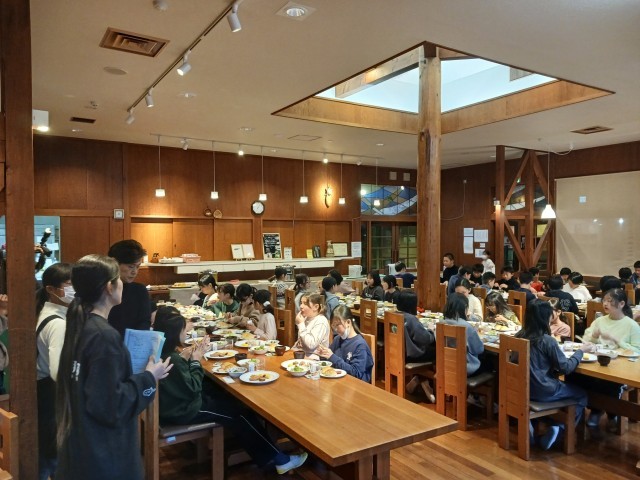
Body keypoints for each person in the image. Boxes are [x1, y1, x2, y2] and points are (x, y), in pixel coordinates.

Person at [56, 255, 172, 480]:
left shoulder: (81, 324)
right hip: (104, 455)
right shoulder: (103, 337)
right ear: (109, 287)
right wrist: (150, 376)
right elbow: (112, 405)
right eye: (118, 279)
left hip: (82, 446)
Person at [153, 309, 307, 474]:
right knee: (239, 413)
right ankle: (279, 459)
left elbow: (185, 384)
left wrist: (187, 359)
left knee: (233, 401)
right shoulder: (173, 359)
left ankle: (268, 451)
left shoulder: (164, 352)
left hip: (177, 405)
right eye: (184, 330)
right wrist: (196, 360)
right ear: (176, 334)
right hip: (185, 410)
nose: (186, 333)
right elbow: (193, 387)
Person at [515, 300, 589, 450]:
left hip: (521, 389)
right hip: (543, 390)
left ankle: (539, 424)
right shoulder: (547, 341)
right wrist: (580, 351)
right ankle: (559, 429)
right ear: (545, 317)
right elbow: (566, 368)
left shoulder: (519, 336)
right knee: (582, 395)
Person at [580, 289, 640, 433]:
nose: (605, 304)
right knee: (581, 377)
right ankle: (597, 409)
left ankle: (609, 412)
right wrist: (594, 337)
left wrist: (617, 340)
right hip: (599, 362)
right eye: (604, 300)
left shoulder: (632, 325)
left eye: (610, 301)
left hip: (622, 367)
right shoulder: (600, 320)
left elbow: (637, 350)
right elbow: (586, 341)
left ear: (621, 304)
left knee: (608, 382)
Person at [36, 262, 73, 480]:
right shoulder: (59, 324)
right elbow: (58, 372)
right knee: (53, 460)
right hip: (51, 397)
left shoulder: (46, 312)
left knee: (46, 455)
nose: (74, 289)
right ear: (51, 289)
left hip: (43, 395)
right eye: (69, 284)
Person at [395, 290, 436, 402]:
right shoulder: (411, 319)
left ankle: (419, 379)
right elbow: (425, 339)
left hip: (398, 352)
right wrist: (431, 331)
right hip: (412, 355)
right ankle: (427, 382)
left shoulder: (395, 315)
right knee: (438, 352)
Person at [316, 306, 374, 383]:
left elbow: (356, 373)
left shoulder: (360, 345)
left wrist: (332, 356)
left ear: (348, 322)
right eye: (333, 326)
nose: (335, 329)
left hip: (355, 385)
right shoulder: (337, 339)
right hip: (338, 381)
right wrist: (323, 354)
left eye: (337, 325)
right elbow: (329, 362)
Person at [107, 239, 152, 338]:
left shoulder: (140, 291)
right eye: (131, 266)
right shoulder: (103, 289)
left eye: (138, 267)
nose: (135, 272)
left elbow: (144, 322)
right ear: (114, 263)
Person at [441, 294, 484, 376]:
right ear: (465, 308)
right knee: (490, 364)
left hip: (446, 364)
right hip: (465, 367)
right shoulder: (466, 326)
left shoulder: (441, 323)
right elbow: (479, 349)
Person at [293, 293, 330, 357]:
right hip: (303, 354)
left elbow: (311, 345)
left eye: (305, 304)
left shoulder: (321, 321)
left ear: (316, 307)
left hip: (315, 357)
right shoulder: (306, 318)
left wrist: (301, 324)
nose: (301, 306)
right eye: (301, 303)